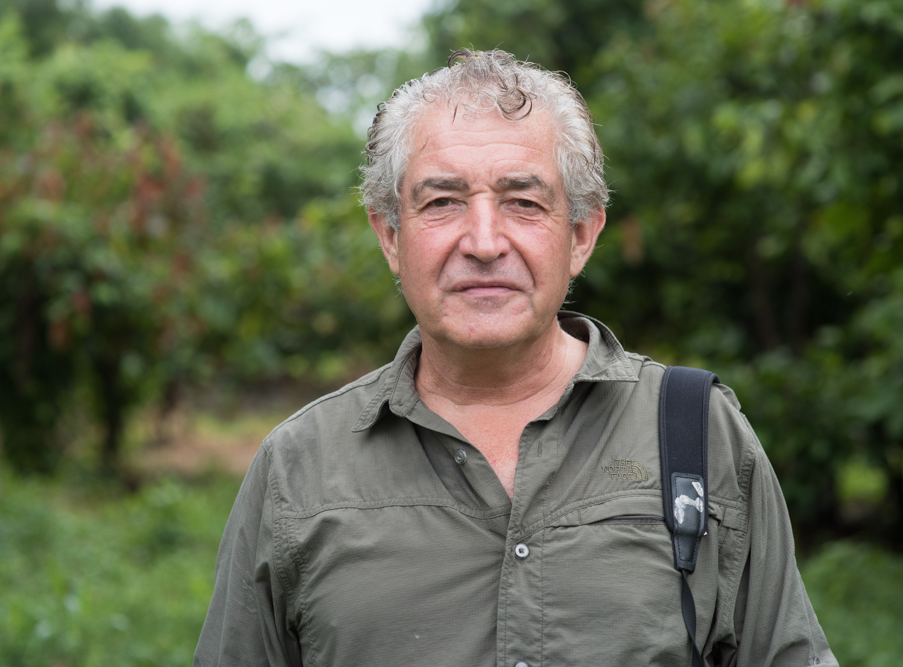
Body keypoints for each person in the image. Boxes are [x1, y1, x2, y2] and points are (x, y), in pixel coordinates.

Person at [195, 49, 837, 667]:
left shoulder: (699, 435)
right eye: (441, 202)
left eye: (523, 203)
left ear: (581, 235)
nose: (482, 241)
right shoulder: (299, 468)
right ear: (390, 236)